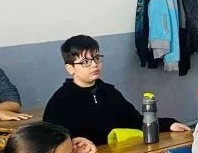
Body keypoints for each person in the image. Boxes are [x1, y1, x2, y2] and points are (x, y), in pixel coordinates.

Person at [43, 35, 190, 144]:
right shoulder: (60, 101)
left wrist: (168, 124)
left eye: (96, 58)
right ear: (70, 68)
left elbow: (134, 121)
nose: (94, 65)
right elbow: (54, 143)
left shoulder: (109, 92)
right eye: (85, 62)